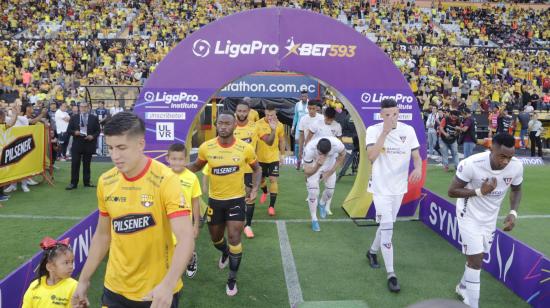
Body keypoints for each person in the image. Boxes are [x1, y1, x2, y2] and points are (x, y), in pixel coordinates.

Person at [72, 112, 194, 308]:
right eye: (110, 148)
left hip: (156, 292)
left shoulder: (167, 180)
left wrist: (168, 284)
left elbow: (186, 237)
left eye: (121, 148)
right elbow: (103, 235)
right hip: (114, 288)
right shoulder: (106, 181)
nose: (115, 156)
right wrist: (84, 279)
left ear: (140, 144)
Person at [185, 111, 261, 296]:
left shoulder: (245, 149)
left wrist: (254, 189)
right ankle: (224, 251)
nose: (224, 126)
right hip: (215, 201)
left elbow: (257, 169)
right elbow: (196, 167)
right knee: (216, 239)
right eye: (221, 123)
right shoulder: (206, 147)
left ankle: (232, 279)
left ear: (235, 125)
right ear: (216, 124)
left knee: (235, 237)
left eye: (228, 123)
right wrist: (175, 167)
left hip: (236, 200)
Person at [448, 133, 523, 308]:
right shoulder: (471, 164)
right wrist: (480, 191)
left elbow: (517, 189)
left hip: (490, 218)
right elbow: (452, 191)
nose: (506, 161)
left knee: (479, 256)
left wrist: (513, 212)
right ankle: (473, 305)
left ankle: (463, 287)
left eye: (510, 157)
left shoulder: (516, 166)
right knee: (476, 261)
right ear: (492, 148)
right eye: (502, 156)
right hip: (468, 215)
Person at [365, 98, 422, 293]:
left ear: (399, 112)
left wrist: (418, 169)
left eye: (395, 114)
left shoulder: (409, 131)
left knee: (386, 224)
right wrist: (385, 132)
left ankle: (372, 252)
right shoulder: (373, 130)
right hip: (380, 188)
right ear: (381, 115)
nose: (392, 118)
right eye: (387, 115)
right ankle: (392, 274)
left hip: (399, 188)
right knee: (388, 228)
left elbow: (416, 156)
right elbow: (371, 157)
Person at [167, 143, 202, 278]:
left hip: (185, 222)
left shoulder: (191, 177)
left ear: (186, 160)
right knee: (172, 250)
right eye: (174, 159)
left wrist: (196, 225)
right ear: (168, 159)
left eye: (180, 159)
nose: (177, 162)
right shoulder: (163, 176)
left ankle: (191, 259)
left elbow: (195, 202)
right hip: (168, 221)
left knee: (186, 250)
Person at [303, 137, 346, 231]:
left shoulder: (337, 144)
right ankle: (314, 219)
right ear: (317, 148)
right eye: (319, 153)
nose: (322, 155)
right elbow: (307, 172)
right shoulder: (309, 148)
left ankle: (322, 203)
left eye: (325, 154)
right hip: (314, 166)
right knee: (313, 193)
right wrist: (318, 165)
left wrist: (330, 172)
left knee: (330, 192)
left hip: (329, 167)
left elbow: (343, 155)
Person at [22, 237, 77, 308]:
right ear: (50, 267)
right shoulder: (34, 286)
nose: (71, 266)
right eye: (66, 263)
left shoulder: (74, 287)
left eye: (72, 262)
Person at [234, 100, 260, 238]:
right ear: (236, 112)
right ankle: (236, 221)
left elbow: (266, 140)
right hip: (233, 169)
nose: (242, 114)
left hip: (249, 169)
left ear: (249, 112)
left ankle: (247, 225)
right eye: (240, 111)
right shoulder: (230, 126)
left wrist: (273, 130)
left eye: (244, 111)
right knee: (235, 197)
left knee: (249, 197)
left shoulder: (255, 127)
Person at [256, 104, 285, 216]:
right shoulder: (258, 124)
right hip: (260, 158)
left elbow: (282, 140)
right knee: (261, 180)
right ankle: (265, 192)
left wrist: (282, 155)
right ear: (264, 112)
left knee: (273, 179)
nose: (269, 117)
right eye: (267, 114)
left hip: (273, 157)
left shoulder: (280, 125)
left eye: (272, 115)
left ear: (275, 113)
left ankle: (271, 206)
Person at [65, 102, 100, 190]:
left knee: (87, 164)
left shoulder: (94, 118)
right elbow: (69, 130)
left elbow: (98, 131)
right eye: (81, 107)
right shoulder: (74, 117)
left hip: (89, 143)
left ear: (88, 108)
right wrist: (74, 132)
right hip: (77, 143)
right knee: (75, 164)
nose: (83, 109)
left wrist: (92, 136)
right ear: (79, 108)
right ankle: (73, 183)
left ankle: (87, 182)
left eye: (85, 107)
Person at [297, 100, 323, 169]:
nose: (311, 111)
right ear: (307, 108)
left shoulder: (322, 118)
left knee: (318, 171)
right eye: (310, 108)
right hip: (308, 148)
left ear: (317, 108)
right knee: (307, 171)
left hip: (319, 148)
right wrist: (300, 150)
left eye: (313, 109)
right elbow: (301, 135)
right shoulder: (303, 119)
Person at [291, 90, 309, 169]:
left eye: (305, 96)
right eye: (302, 96)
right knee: (298, 145)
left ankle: (306, 163)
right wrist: (293, 127)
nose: (304, 97)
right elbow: (295, 117)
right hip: (299, 128)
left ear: (307, 96)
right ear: (300, 97)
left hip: (308, 128)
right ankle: (298, 161)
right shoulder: (297, 105)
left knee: (307, 145)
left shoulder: (310, 105)